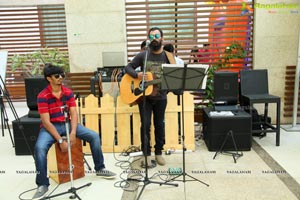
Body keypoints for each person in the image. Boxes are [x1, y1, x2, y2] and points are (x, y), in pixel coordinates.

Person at [32, 63, 116, 199]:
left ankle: (100, 168)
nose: (61, 78)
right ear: (48, 78)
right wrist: (60, 140)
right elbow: (46, 122)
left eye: (62, 75)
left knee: (94, 136)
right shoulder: (43, 96)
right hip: (51, 127)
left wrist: (72, 133)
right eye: (57, 76)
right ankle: (42, 184)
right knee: (39, 148)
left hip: (68, 124)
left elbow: (74, 114)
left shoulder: (68, 93)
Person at [125, 27, 175, 167]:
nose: (154, 38)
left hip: (161, 98)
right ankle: (146, 154)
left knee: (160, 125)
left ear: (162, 38)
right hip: (145, 98)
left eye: (157, 35)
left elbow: (174, 76)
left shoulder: (168, 56)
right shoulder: (143, 55)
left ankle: (158, 152)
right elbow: (127, 68)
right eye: (151, 36)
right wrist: (137, 75)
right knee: (145, 125)